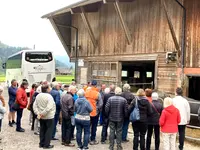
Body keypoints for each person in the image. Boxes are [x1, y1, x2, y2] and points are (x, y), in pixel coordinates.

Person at [33, 84, 56, 149]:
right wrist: (42, 113)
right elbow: (49, 107)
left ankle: (41, 143)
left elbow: (35, 105)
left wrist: (38, 113)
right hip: (49, 116)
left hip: (41, 116)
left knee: (42, 129)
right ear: (47, 89)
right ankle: (46, 144)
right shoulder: (49, 97)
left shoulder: (38, 96)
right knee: (49, 130)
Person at [85, 80, 103, 145]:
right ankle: (92, 139)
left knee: (87, 126)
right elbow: (101, 104)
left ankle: (86, 139)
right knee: (94, 126)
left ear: (91, 84)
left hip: (86, 112)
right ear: (96, 85)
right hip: (94, 113)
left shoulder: (86, 92)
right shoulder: (97, 93)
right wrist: (97, 108)